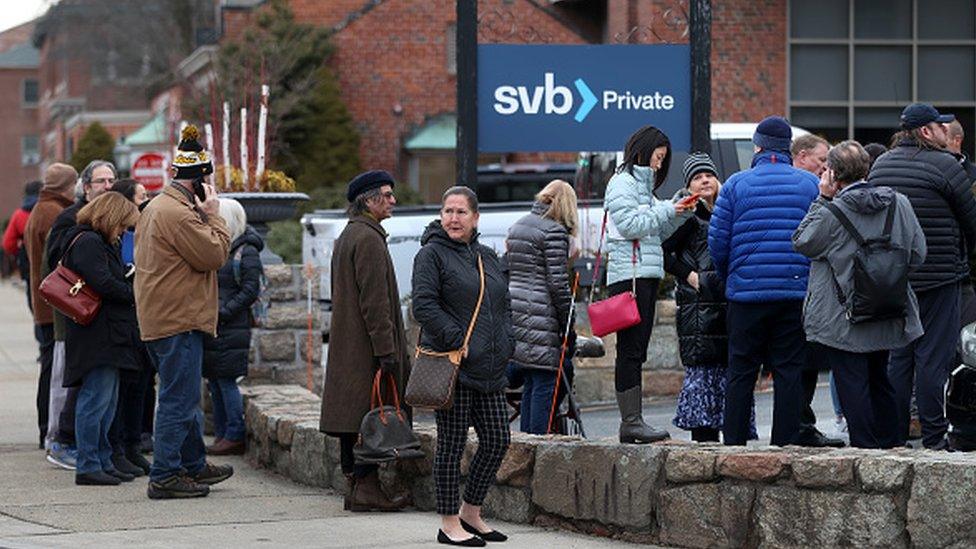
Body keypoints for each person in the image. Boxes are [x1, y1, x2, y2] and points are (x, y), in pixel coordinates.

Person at [793, 140, 926, 449]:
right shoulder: (899, 204)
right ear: (868, 168)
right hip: (889, 307)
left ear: (832, 174)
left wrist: (822, 199)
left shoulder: (832, 211)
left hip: (845, 314)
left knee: (852, 380)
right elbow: (918, 253)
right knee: (881, 378)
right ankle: (892, 443)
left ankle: (865, 449)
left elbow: (802, 242)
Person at [868, 103, 976, 450]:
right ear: (926, 132)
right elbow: (970, 221)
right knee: (933, 357)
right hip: (940, 277)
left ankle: (895, 434)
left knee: (899, 358)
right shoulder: (946, 166)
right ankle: (932, 436)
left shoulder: (880, 165)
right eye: (940, 126)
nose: (947, 132)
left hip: (894, 280)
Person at [135, 124, 233, 498]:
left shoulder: (161, 206)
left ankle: (192, 464)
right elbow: (214, 254)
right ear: (200, 181)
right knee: (178, 399)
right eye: (208, 180)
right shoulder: (178, 213)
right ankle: (165, 475)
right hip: (177, 321)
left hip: (166, 318)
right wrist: (214, 215)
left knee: (185, 395)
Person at [709, 116, 819, 447]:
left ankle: (734, 444)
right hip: (793, 291)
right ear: (788, 148)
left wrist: (733, 277)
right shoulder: (808, 185)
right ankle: (785, 444)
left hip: (746, 295)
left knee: (741, 371)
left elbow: (717, 243)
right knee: (788, 371)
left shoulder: (735, 185)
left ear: (757, 146)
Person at [413, 186, 513, 547]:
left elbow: (503, 305)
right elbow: (423, 306)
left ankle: (472, 512)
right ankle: (448, 522)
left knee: (498, 439)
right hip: (453, 367)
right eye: (448, 211)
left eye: (461, 212)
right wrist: (457, 338)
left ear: (475, 218)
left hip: (489, 367)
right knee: (452, 446)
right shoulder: (431, 255)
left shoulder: (487, 256)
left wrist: (508, 342)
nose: (453, 219)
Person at [319, 170, 411, 512]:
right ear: (369, 200)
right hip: (366, 349)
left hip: (350, 346)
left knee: (353, 416)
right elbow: (376, 302)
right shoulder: (369, 239)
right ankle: (366, 488)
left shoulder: (350, 235)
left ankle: (358, 486)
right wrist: (386, 350)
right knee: (368, 415)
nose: (392, 201)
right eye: (386, 195)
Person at [603, 125, 694, 444]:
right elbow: (630, 225)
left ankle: (633, 421)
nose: (659, 165)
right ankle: (631, 422)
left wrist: (678, 212)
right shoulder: (622, 183)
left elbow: (654, 231)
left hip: (643, 273)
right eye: (658, 158)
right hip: (630, 275)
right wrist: (668, 208)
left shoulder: (643, 189)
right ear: (643, 152)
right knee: (630, 351)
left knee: (636, 350)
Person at [60, 192, 141, 485]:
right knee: (96, 399)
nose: (123, 231)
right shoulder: (90, 242)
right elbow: (103, 282)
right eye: (122, 224)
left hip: (105, 333)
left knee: (107, 400)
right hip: (97, 334)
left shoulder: (97, 241)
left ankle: (102, 459)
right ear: (110, 217)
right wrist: (132, 292)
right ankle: (89, 463)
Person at [44, 161, 118, 469]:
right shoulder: (71, 219)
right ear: (85, 187)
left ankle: (96, 451)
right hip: (76, 312)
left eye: (112, 180)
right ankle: (62, 440)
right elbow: (56, 263)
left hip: (104, 316)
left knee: (98, 389)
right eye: (101, 181)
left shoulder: (110, 219)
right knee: (74, 383)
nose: (107, 186)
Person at [663, 153, 738, 442]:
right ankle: (704, 447)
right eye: (697, 177)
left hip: (728, 303)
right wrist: (690, 276)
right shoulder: (686, 216)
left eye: (708, 175)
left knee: (727, 376)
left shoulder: (729, 209)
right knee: (704, 377)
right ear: (689, 185)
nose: (705, 180)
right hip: (699, 311)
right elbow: (663, 252)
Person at [506, 179, 577, 435]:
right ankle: (537, 446)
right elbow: (558, 285)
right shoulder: (554, 232)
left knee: (531, 383)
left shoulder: (519, 225)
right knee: (545, 382)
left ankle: (525, 446)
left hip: (517, 314)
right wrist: (569, 327)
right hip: (541, 315)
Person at [791, 136, 846, 449]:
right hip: (804, 284)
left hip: (788, 285)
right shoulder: (811, 188)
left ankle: (797, 424)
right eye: (822, 159)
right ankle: (800, 425)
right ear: (802, 156)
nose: (826, 166)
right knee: (805, 362)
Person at [23, 163, 78, 449]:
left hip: (42, 303)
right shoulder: (53, 213)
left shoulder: (41, 209)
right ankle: (49, 428)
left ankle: (46, 428)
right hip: (51, 306)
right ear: (67, 185)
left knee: (48, 369)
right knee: (53, 371)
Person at [203, 198, 263, 456]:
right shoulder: (222, 247)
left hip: (230, 325)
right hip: (216, 322)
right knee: (214, 381)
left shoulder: (245, 251)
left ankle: (234, 433)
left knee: (225, 380)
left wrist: (223, 312)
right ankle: (222, 433)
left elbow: (250, 290)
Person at [103, 177, 153, 475]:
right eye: (141, 196)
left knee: (143, 387)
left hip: (143, 316)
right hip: (125, 318)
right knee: (124, 389)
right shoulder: (117, 237)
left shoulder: (143, 229)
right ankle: (119, 447)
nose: (145, 201)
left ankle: (135, 444)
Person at [2, 180, 41, 309]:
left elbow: (8, 243)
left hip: (29, 265)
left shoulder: (19, 215)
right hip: (52, 265)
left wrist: (19, 252)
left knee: (35, 306)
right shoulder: (49, 209)